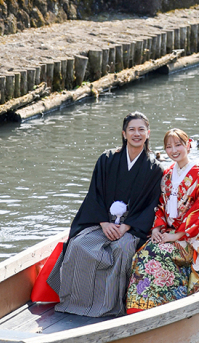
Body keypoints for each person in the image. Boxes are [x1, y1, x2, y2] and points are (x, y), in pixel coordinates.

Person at [47, 111, 163, 318]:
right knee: (79, 245)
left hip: (132, 227)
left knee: (122, 249)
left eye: (141, 130)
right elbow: (94, 193)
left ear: (148, 133)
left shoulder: (154, 168)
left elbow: (152, 204)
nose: (137, 134)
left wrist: (127, 227)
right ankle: (75, 301)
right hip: (101, 222)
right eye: (132, 129)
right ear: (124, 133)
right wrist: (103, 223)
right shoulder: (107, 159)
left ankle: (108, 306)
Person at [126, 128, 199, 314]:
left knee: (158, 254)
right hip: (169, 232)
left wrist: (177, 235)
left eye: (178, 145)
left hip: (193, 236)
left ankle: (164, 302)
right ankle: (139, 305)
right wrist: (157, 228)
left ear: (188, 145)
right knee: (143, 251)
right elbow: (161, 204)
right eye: (169, 147)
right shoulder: (169, 173)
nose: (174, 150)